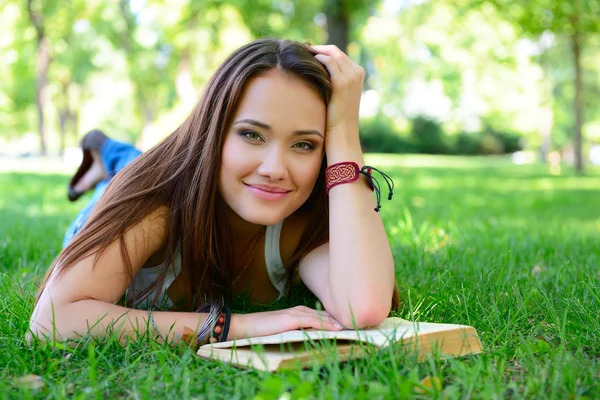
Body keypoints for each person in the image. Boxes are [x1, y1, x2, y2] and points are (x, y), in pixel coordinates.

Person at [29, 39, 397, 347]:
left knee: (138, 163)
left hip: (194, 176)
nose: (274, 168)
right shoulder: (152, 201)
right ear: (213, 131)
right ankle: (103, 151)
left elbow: (361, 307)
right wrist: (232, 328)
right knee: (129, 168)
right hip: (121, 197)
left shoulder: (304, 212)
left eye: (304, 144)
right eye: (252, 134)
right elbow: (50, 321)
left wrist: (346, 133)